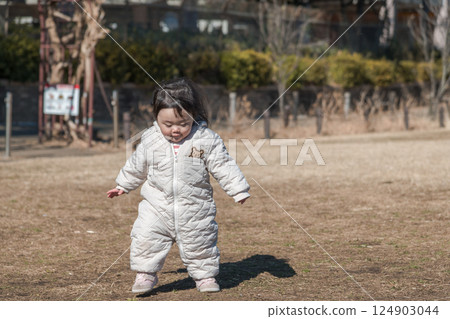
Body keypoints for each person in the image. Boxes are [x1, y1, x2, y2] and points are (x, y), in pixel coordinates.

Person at [106, 78, 250, 294]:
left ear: (194, 115)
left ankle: (205, 276)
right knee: (146, 236)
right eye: (168, 124)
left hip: (195, 205)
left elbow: (222, 164)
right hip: (156, 205)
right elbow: (137, 164)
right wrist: (123, 185)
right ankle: (145, 275)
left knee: (200, 240)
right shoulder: (151, 139)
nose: (176, 129)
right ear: (156, 117)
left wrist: (238, 189)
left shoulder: (205, 140)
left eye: (183, 123)